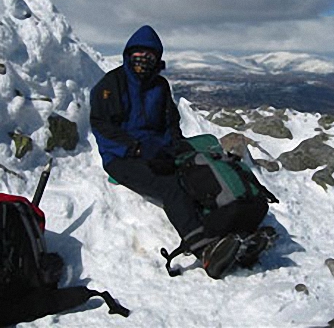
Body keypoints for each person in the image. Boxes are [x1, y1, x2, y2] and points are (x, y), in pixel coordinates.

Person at [89, 25, 241, 278]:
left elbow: (170, 121)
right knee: (171, 186)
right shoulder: (111, 85)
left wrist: (175, 146)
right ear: (128, 55)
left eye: (149, 56)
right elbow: (102, 126)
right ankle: (204, 251)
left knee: (198, 172)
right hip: (121, 157)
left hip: (159, 149)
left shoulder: (160, 85)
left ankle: (231, 230)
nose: (143, 61)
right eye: (138, 55)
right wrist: (137, 149)